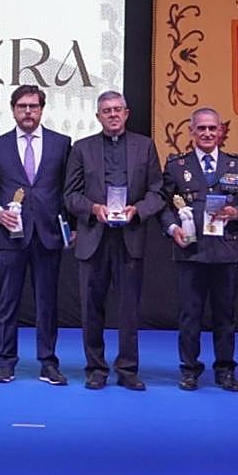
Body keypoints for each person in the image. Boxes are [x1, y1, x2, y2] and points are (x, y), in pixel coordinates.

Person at [63, 90, 164, 391]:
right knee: (91, 308)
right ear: (98, 116)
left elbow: (158, 191)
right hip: (94, 237)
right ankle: (95, 368)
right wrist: (94, 209)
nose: (113, 115)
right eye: (106, 111)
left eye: (118, 109)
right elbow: (69, 195)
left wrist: (138, 210)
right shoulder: (81, 148)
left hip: (129, 237)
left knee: (129, 309)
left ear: (127, 113)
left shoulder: (145, 147)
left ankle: (128, 369)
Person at [159, 108, 238, 392]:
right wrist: (171, 228)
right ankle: (189, 369)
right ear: (191, 131)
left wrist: (237, 212)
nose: (207, 133)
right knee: (190, 315)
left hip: (226, 251)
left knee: (225, 315)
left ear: (221, 132)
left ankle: (225, 369)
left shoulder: (237, 165)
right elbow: (162, 204)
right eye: (201, 128)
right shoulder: (177, 166)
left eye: (212, 128)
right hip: (190, 250)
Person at [0, 85, 71, 384]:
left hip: (47, 234)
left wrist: (70, 227)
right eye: (22, 107)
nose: (28, 112)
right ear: (13, 110)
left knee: (47, 303)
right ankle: (6, 362)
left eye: (33, 106)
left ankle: (48, 363)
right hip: (9, 235)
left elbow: (68, 190)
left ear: (42, 109)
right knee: (7, 302)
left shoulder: (62, 144)